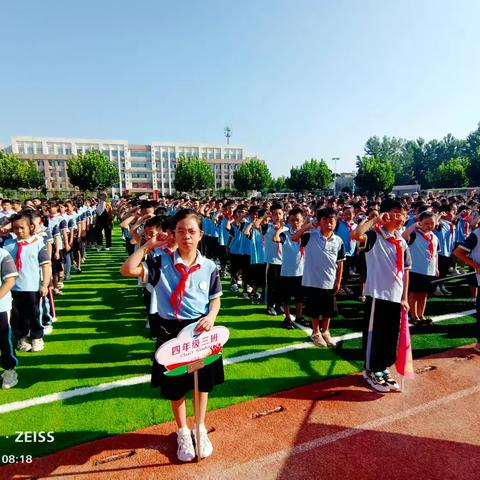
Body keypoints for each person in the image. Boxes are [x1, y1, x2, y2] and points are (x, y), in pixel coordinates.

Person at [120, 209, 223, 462]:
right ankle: (182, 432)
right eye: (181, 230)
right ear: (173, 234)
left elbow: (215, 300)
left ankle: (200, 427)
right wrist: (147, 246)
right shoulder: (159, 262)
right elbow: (127, 269)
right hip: (171, 338)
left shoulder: (209, 266)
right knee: (176, 388)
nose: (186, 236)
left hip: (199, 337)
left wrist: (211, 317)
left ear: (200, 234)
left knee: (201, 385)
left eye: (191, 231)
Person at [351, 199, 411, 392]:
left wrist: (404, 297)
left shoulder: (401, 241)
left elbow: (406, 271)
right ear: (386, 214)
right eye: (397, 213)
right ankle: (370, 370)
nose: (401, 217)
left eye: (403, 214)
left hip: (395, 297)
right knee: (374, 335)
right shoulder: (375, 236)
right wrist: (375, 219)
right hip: (377, 294)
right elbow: (356, 234)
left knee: (389, 337)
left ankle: (382, 368)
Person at [292, 207, 345, 347]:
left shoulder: (338, 240)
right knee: (314, 309)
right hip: (312, 281)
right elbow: (294, 237)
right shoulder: (310, 236)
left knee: (328, 309)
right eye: (325, 220)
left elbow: (340, 263)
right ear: (319, 221)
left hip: (329, 280)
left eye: (331, 220)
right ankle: (316, 332)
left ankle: (326, 331)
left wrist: (338, 281)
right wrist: (308, 225)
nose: (329, 223)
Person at [3, 211, 51, 353]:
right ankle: (22, 337)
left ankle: (37, 337)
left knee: (34, 313)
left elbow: (46, 265)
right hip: (12, 287)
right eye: (16, 227)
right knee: (17, 315)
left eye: (22, 227)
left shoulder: (38, 243)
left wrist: (45, 284)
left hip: (32, 286)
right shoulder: (8, 244)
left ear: (31, 226)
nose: (19, 231)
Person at [402, 211, 439, 326]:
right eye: (426, 223)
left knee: (424, 294)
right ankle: (414, 316)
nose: (429, 225)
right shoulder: (414, 234)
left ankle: (421, 314)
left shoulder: (434, 237)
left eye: (431, 223)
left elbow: (436, 253)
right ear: (420, 223)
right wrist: (413, 226)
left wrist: (436, 268)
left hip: (429, 270)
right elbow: (403, 237)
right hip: (415, 269)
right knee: (414, 293)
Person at [273, 207, 305, 329]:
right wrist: (279, 230)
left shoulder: (306, 234)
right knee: (286, 298)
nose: (295, 223)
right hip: (287, 271)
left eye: (298, 220)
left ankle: (299, 316)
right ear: (289, 221)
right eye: (292, 220)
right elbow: (276, 239)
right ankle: (287, 318)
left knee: (300, 297)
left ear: (302, 221)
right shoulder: (285, 235)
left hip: (302, 271)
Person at [0, 247, 19, 388]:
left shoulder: (3, 254)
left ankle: (9, 370)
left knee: (4, 340)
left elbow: (10, 280)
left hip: (1, 307)